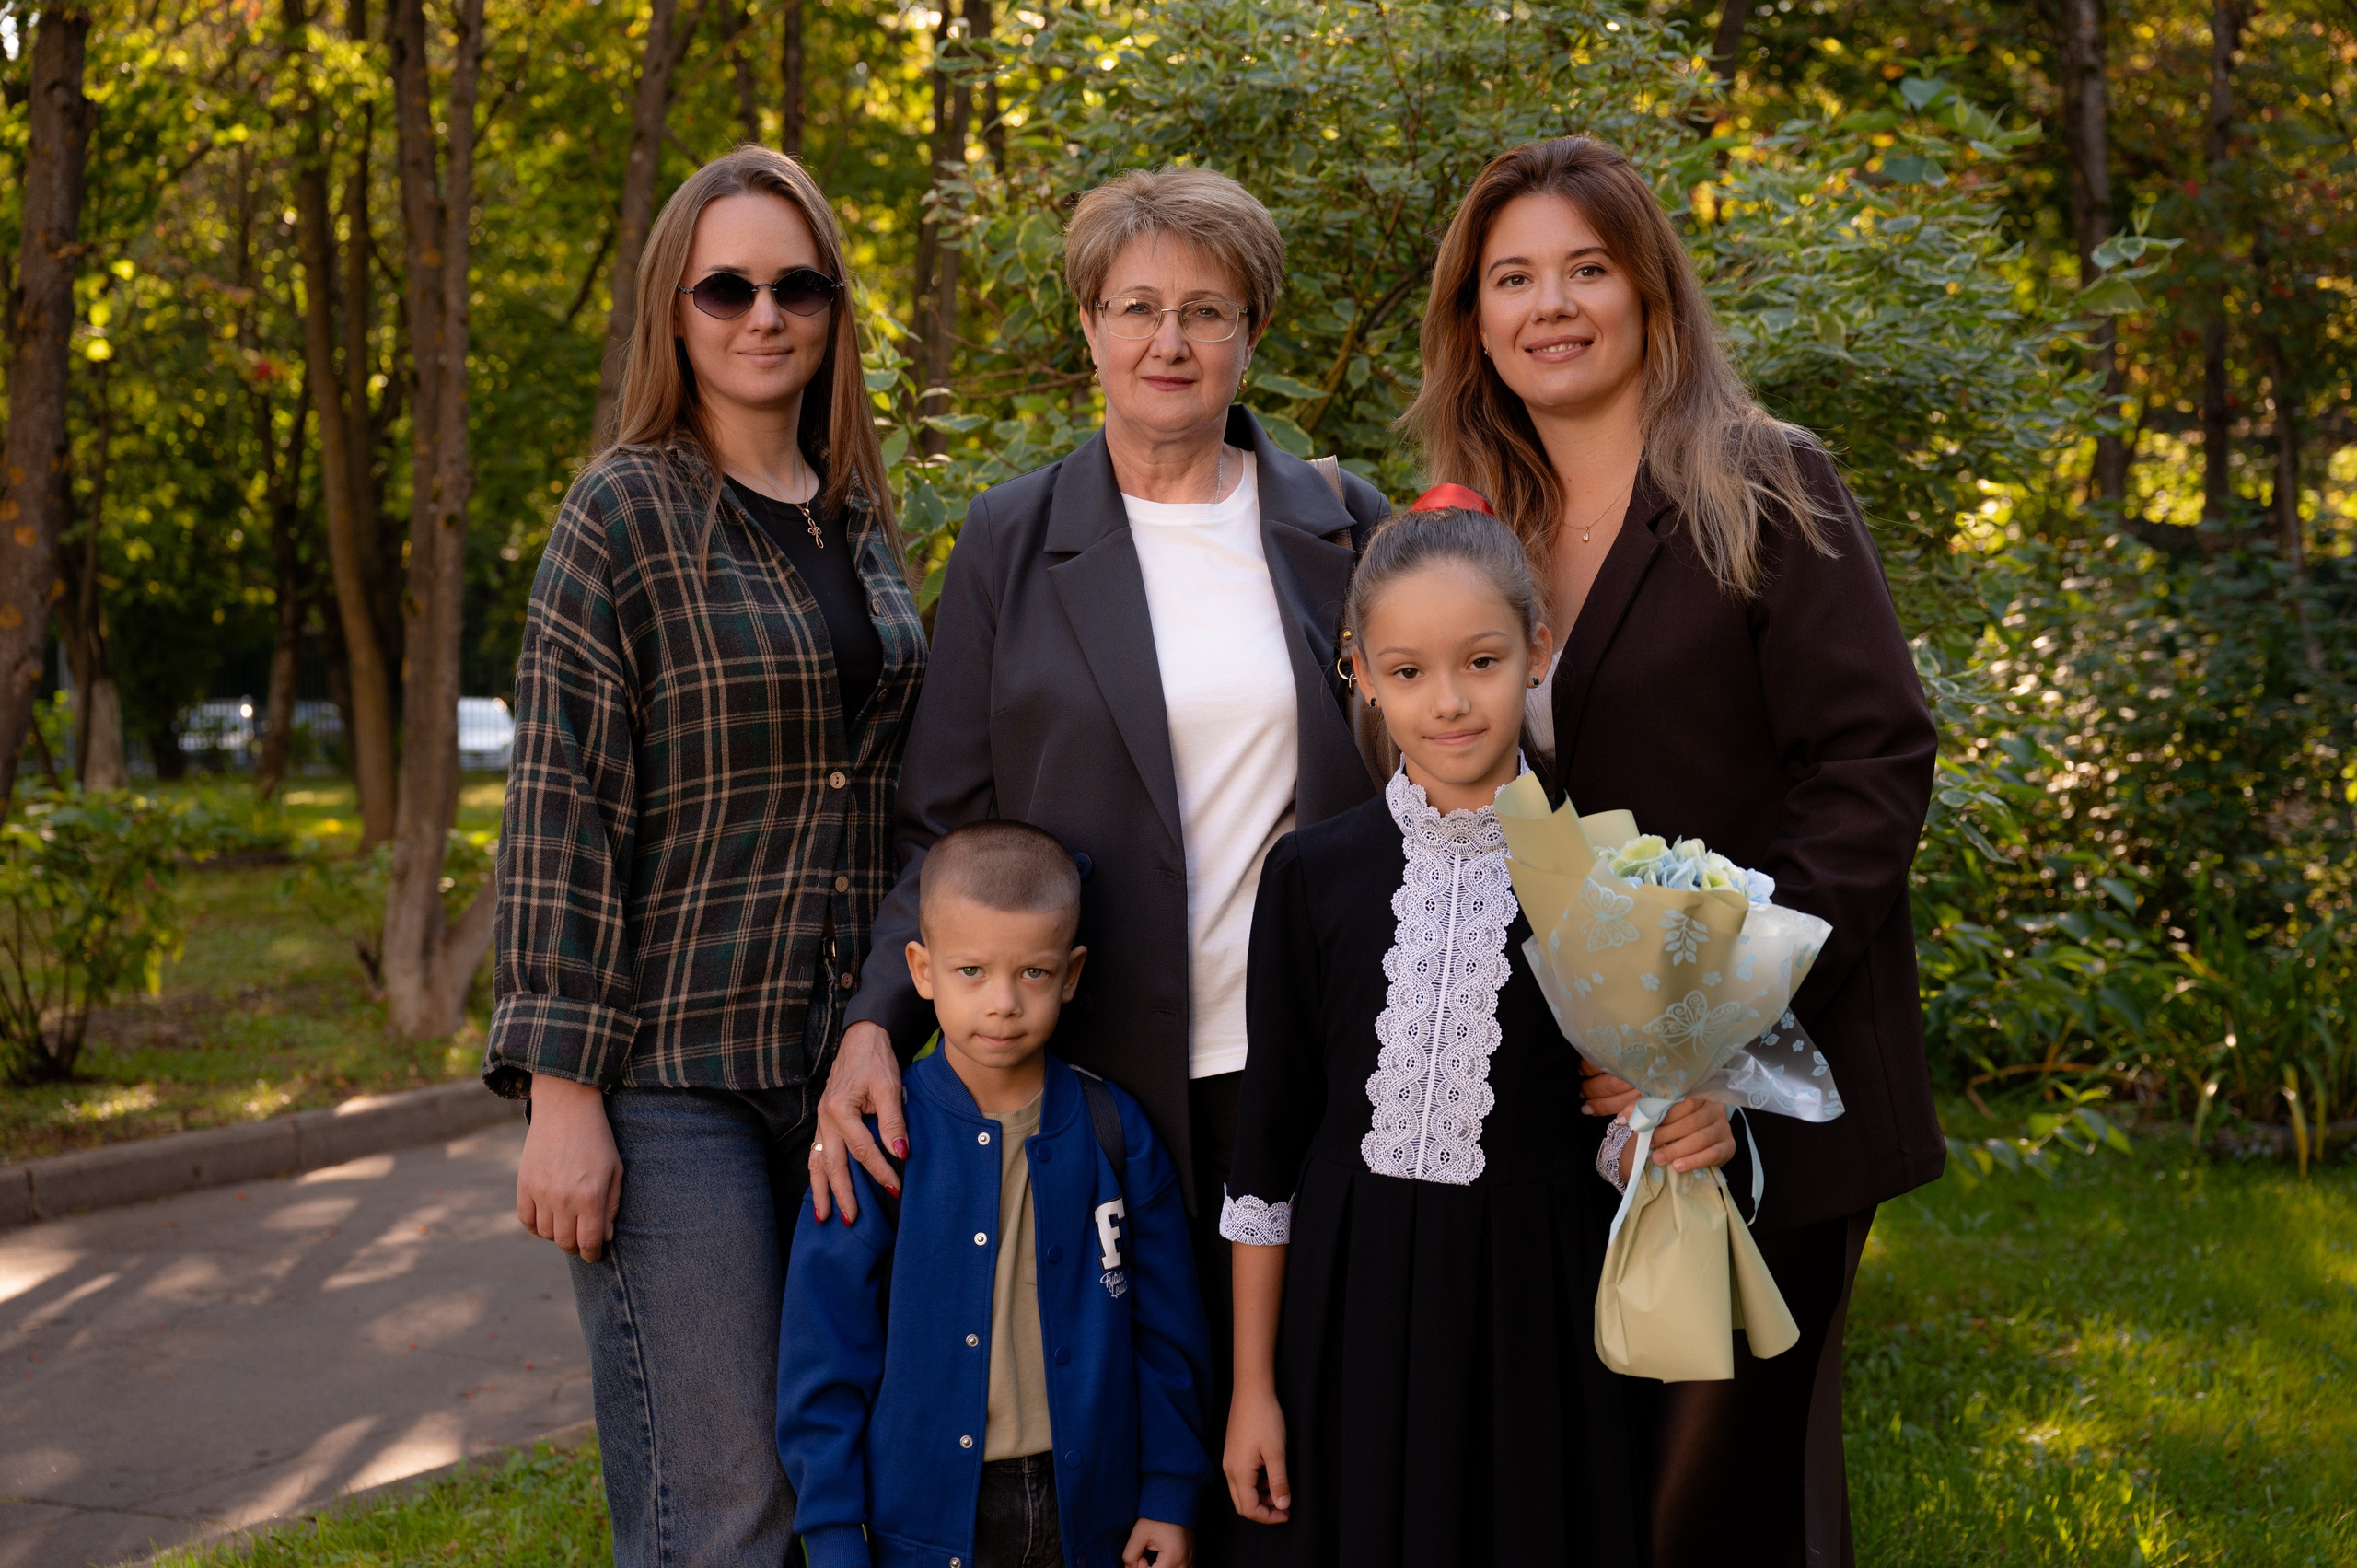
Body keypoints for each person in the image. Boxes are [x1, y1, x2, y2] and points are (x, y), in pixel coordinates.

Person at [811, 166, 1388, 1562]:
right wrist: (875, 1028)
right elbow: (944, 815)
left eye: (1207, 308)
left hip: (1306, 1064)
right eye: (1138, 306)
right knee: (1130, 1454)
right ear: (1089, 325)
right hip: (1095, 1078)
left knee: (1305, 1438)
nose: (1170, 340)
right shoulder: (1018, 534)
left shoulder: (1339, 522)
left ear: (1253, 332)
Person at [1401, 134, 1941, 1567]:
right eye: (1511, 278)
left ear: (1650, 292)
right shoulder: (1468, 529)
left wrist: (1711, 1042)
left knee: (1717, 1499)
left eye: (1586, 268)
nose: (1550, 305)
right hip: (1560, 1103)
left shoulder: (1761, 483)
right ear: (1474, 319)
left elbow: (1872, 766)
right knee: (1581, 1485)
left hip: (1765, 1087)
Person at [486, 145, 926, 1567]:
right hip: (670, 1080)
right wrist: (562, 1091)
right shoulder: (621, 514)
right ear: (674, 310)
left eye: (797, 283)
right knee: (725, 1504)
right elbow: (561, 807)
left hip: (837, 1077)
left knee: (834, 1468)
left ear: (834, 308)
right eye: (725, 285)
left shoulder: (861, 521)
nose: (763, 312)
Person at [1219, 500, 1737, 1568]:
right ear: (1358, 671)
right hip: (1346, 1307)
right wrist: (1253, 1388)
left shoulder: (1610, 877)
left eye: (1482, 661)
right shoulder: (1310, 875)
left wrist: (1688, 1113)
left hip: (1530, 1317)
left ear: (1537, 650)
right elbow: (1265, 1156)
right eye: (1406, 671)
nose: (1448, 702)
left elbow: (1629, 1123)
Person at [778, 820, 1212, 1568]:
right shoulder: (879, 1141)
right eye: (971, 971)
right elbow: (824, 1347)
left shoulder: (1118, 1130)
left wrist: (1167, 1494)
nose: (1003, 1002)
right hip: (925, 1521)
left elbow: (1167, 1330)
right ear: (921, 968)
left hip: (1092, 1515)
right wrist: (834, 1532)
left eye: (1033, 973)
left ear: (1071, 973)